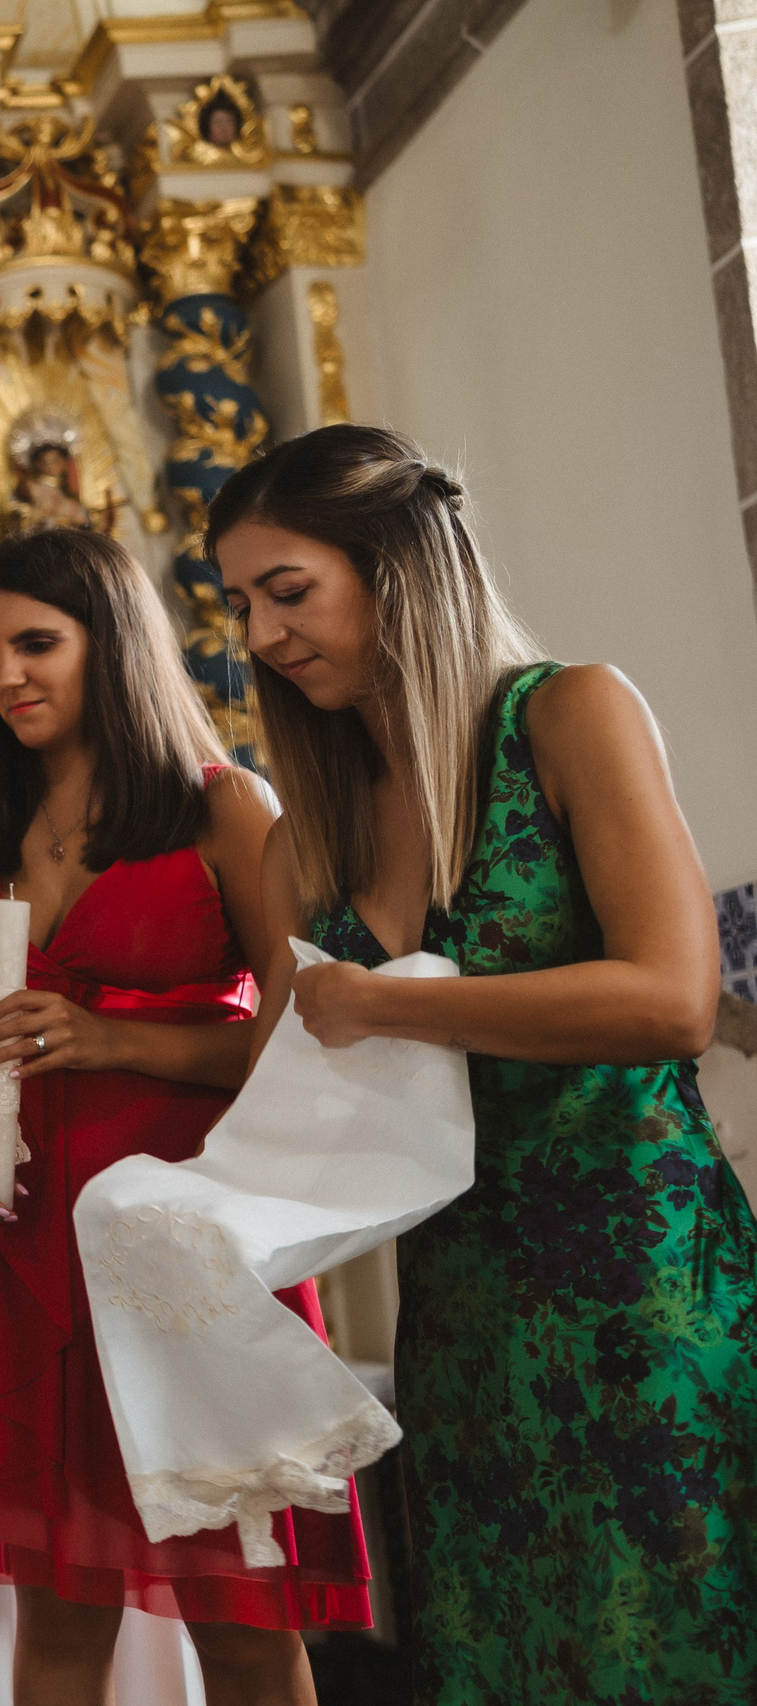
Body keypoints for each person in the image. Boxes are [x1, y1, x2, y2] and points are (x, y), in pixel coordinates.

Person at [211, 424, 757, 1704]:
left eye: (287, 591)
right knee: (509, 1649)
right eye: (239, 605)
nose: (260, 635)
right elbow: (277, 1093)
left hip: (638, 1271)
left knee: (670, 1634)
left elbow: (673, 999)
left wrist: (390, 1010)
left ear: (394, 566)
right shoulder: (311, 831)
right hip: (461, 1303)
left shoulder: (567, 712)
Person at [0, 527, 364, 1706]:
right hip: (20, 1248)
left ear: (112, 642)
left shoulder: (220, 807)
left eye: (38, 644)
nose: (7, 675)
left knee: (243, 1619)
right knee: (56, 1621)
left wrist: (117, 1040)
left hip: (187, 1248)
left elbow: (298, 1033)